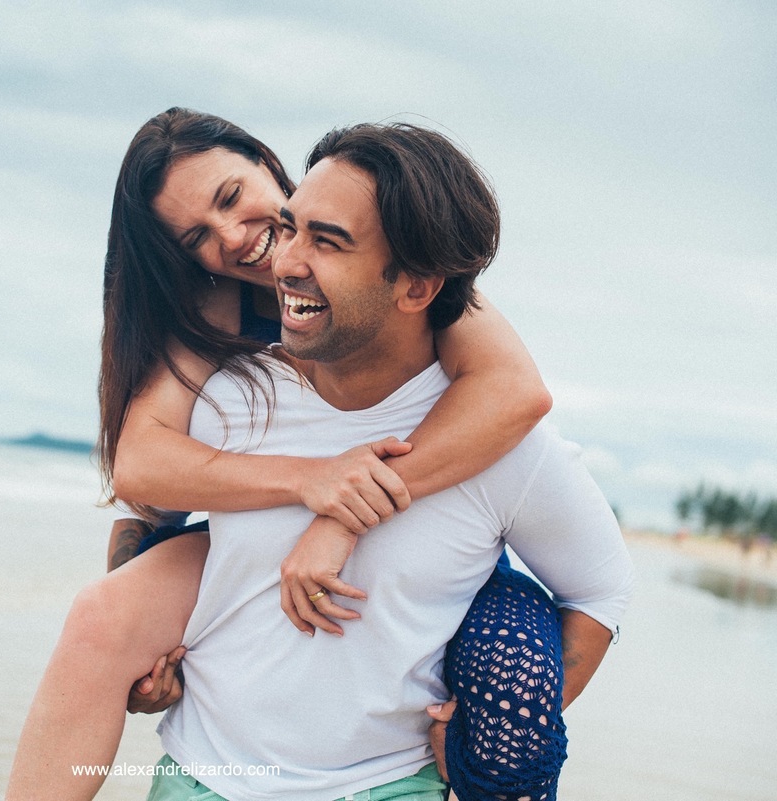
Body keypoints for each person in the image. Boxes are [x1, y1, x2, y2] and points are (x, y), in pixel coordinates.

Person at [5, 109, 553, 800]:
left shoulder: (392, 268)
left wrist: (344, 511)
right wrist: (308, 483)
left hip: (426, 524)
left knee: (514, 681)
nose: (233, 237)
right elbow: (141, 469)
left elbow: (516, 392)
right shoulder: (215, 308)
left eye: (231, 196)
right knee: (100, 618)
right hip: (262, 524)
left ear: (268, 162)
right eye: (197, 238)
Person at [146, 122, 634, 801]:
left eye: (328, 242)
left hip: (386, 786)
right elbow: (150, 508)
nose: (285, 262)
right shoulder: (232, 400)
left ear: (416, 287)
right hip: (198, 775)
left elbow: (600, 592)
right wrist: (146, 656)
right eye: (291, 228)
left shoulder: (502, 443)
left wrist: (478, 737)